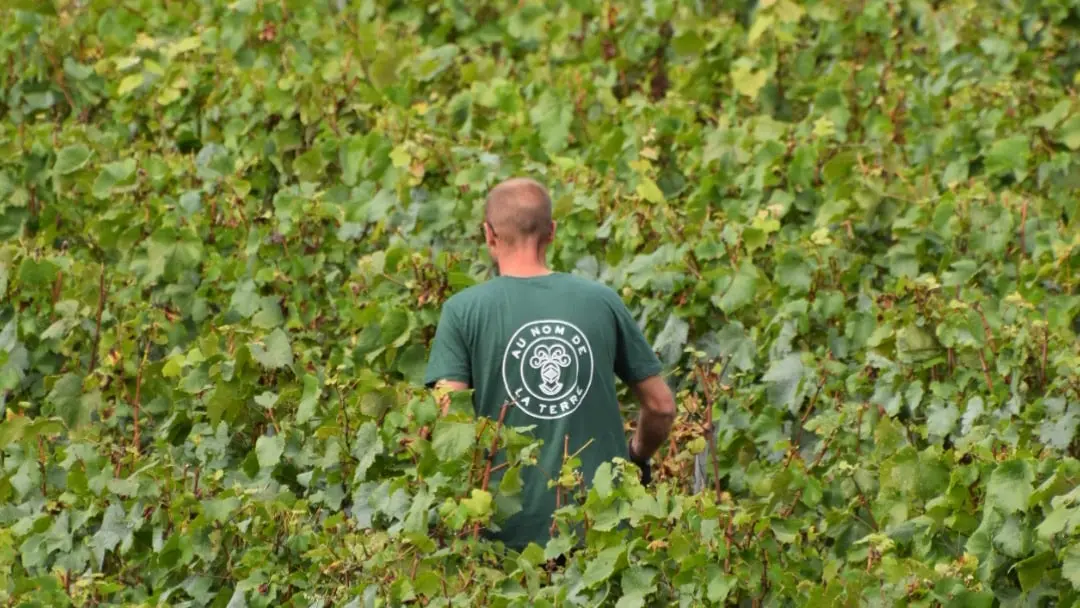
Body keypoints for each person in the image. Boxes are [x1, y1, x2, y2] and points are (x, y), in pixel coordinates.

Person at [423, 176, 677, 553]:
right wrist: (636, 456)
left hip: (500, 538)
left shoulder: (462, 312)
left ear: (489, 235)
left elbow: (449, 424)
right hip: (601, 531)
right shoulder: (601, 301)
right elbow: (661, 406)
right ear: (552, 232)